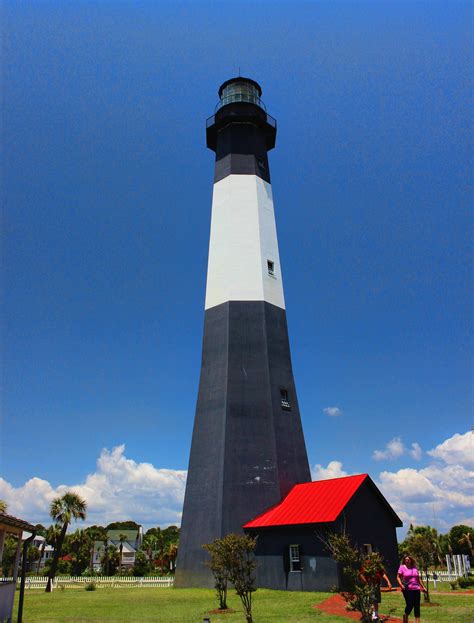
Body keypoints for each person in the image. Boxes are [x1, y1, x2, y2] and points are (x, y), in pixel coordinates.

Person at [359, 557, 392, 621]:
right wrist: (365, 582)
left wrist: (388, 581)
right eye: (368, 560)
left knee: (376, 600)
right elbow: (361, 574)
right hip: (370, 585)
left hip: (377, 585)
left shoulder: (377, 566)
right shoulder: (365, 567)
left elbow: (383, 574)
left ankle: (376, 615)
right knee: (372, 599)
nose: (370, 561)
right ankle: (371, 614)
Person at [397, 555, 427, 623]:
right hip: (407, 589)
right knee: (410, 605)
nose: (407, 560)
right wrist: (401, 585)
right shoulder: (402, 567)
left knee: (417, 605)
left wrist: (423, 587)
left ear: (411, 560)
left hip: (416, 589)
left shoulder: (414, 568)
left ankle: (417, 621)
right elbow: (398, 577)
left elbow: (418, 578)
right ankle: (405, 616)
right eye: (406, 559)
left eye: (408, 559)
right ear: (404, 560)